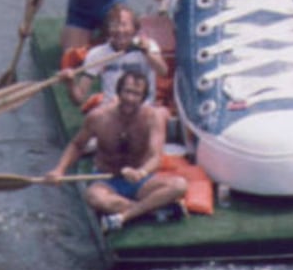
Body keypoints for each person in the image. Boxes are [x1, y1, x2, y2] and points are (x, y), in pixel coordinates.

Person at [44, 71, 187, 233]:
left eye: (136, 94)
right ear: (119, 92)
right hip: (107, 180)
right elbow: (77, 145)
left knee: (179, 185)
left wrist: (141, 172)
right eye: (127, 92)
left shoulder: (153, 117)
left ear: (144, 97)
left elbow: (156, 156)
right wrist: (59, 169)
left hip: (141, 181)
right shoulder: (98, 117)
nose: (130, 99)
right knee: (94, 197)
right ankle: (152, 210)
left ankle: (125, 215)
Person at [62, 3, 168, 111]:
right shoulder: (97, 54)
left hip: (144, 110)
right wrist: (70, 83)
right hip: (112, 112)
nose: (120, 30)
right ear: (108, 29)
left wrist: (146, 52)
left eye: (124, 25)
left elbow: (163, 71)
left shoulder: (149, 45)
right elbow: (78, 99)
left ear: (134, 28)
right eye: (114, 25)